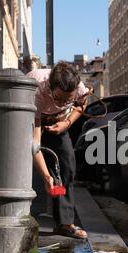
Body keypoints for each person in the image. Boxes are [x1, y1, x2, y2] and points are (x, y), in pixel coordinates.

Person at [27, 62, 89, 240]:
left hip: (59, 122)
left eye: (66, 99)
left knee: (67, 166)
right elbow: (34, 143)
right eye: (58, 98)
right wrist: (46, 177)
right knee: (18, 163)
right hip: (32, 118)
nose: (63, 102)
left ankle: (64, 223)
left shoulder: (79, 88)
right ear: (50, 87)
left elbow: (81, 104)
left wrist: (67, 123)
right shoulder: (38, 88)